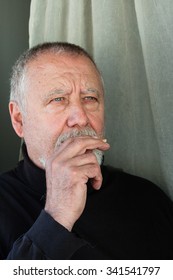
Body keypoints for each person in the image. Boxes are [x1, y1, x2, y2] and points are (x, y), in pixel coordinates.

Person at [0, 42, 173, 260]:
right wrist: (56, 216)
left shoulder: (149, 201)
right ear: (19, 119)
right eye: (58, 99)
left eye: (89, 98)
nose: (81, 118)